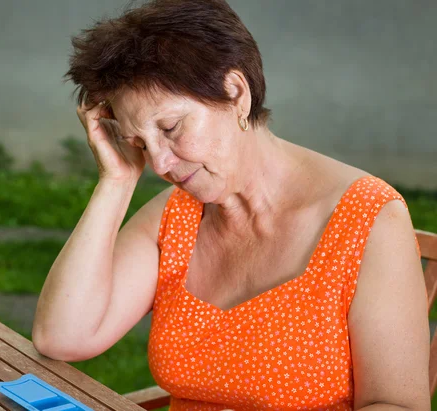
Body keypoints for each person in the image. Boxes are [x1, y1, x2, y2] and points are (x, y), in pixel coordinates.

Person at [33, 0, 430, 409]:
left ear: (236, 93)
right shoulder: (176, 214)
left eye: (170, 128)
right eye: (139, 144)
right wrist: (116, 180)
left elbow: (399, 405)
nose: (159, 164)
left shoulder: (369, 220)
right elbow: (62, 336)